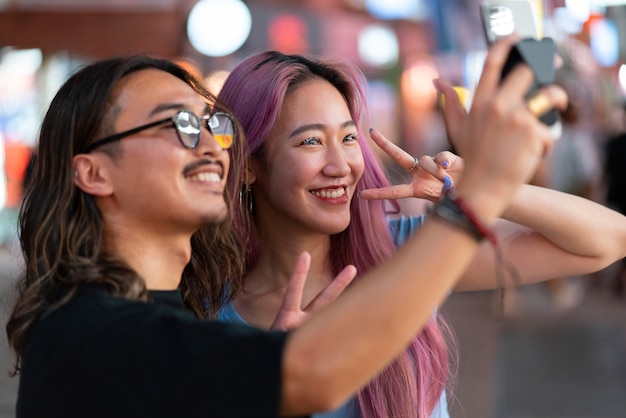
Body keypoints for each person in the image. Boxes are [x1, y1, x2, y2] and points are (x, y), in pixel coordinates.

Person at [5, 37, 572, 417]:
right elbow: (316, 374)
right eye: (176, 124)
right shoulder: (91, 329)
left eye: (213, 123)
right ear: (94, 171)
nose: (210, 144)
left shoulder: (167, 312)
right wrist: (478, 196)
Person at [215, 50, 626, 418]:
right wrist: (274, 380)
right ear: (248, 164)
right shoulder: (204, 310)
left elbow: (608, 240)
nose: (340, 165)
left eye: (348, 137)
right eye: (310, 141)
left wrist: (481, 191)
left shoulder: (403, 251)